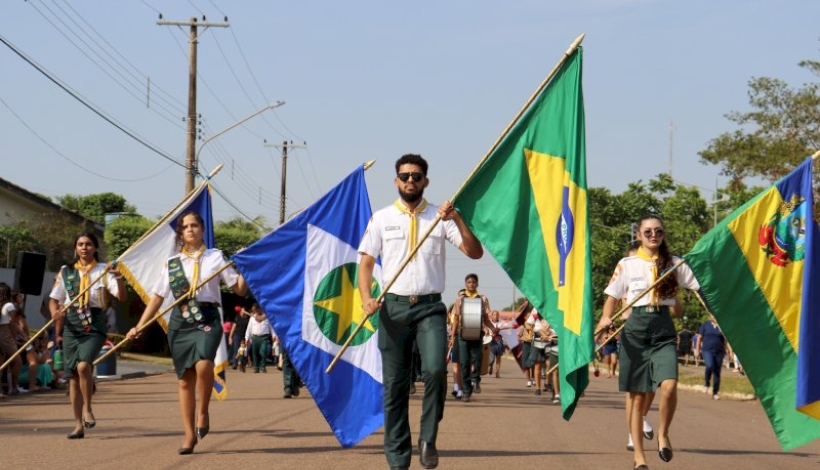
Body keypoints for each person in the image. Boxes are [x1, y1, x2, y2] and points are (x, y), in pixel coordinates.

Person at [358, 153, 483, 470]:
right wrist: (365, 298)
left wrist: (456, 218)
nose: (410, 181)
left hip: (430, 308)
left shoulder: (439, 218)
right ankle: (398, 459)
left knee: (436, 372)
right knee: (396, 385)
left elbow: (474, 252)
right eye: (405, 176)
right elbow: (366, 263)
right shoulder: (382, 218)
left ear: (426, 181)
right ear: (396, 181)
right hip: (393, 309)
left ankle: (428, 438)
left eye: (416, 176)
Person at [126, 211, 247, 454]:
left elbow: (240, 290)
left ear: (202, 230)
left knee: (203, 364)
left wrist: (246, 264)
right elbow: (158, 297)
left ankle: (204, 412)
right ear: (181, 233)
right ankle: (189, 435)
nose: (190, 229)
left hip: (207, 319)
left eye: (194, 225)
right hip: (181, 322)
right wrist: (138, 325)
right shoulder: (173, 264)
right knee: (184, 380)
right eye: (185, 227)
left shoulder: (215, 257)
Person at [597, 215, 700, 470]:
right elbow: (612, 295)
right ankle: (639, 456)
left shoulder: (675, 264)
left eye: (658, 231)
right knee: (636, 395)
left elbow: (701, 286)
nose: (654, 235)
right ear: (639, 235)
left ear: (663, 234)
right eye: (648, 232)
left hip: (663, 331)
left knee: (670, 386)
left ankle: (663, 433)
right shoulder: (627, 264)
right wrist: (606, 317)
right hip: (635, 332)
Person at [49, 233, 126, 438]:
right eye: (80, 244)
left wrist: (118, 277)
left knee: (84, 366)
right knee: (73, 376)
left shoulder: (103, 270)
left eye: (88, 244)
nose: (84, 248)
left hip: (94, 326)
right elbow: (54, 299)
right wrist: (55, 313)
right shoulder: (66, 272)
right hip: (72, 327)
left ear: (95, 248)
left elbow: (121, 296)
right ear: (75, 248)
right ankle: (77, 425)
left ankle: (88, 408)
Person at [451, 274, 497, 402]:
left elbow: (487, 318)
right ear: (466, 284)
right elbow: (455, 319)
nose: (471, 284)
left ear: (477, 284)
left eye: (473, 282)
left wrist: (493, 328)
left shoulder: (482, 299)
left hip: (477, 335)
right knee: (464, 363)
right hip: (462, 335)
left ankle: (476, 380)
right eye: (469, 282)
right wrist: (452, 337)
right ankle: (466, 391)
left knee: (477, 360)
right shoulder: (459, 299)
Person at [0, 283, 24, 395]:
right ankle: (14, 386)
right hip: (5, 335)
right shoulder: (9, 305)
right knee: (18, 360)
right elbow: (12, 322)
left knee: (2, 362)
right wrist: (16, 337)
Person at [696, 315, 726, 400]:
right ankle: (706, 384)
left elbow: (725, 340)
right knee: (709, 365)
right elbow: (699, 338)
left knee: (717, 372)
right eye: (713, 315)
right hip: (707, 350)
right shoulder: (705, 325)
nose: (715, 317)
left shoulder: (722, 326)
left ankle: (715, 392)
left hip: (719, 352)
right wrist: (697, 350)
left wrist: (729, 351)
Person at [244, 304, 273, 373]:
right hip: (255, 337)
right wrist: (246, 338)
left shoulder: (267, 317)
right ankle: (256, 367)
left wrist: (274, 335)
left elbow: (271, 327)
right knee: (255, 353)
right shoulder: (252, 318)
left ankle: (263, 366)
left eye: (258, 309)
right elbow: (249, 328)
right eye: (256, 310)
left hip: (264, 337)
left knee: (263, 352)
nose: (256, 311)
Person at [488, 310, 505, 378]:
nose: (496, 316)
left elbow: (504, 331)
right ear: (492, 315)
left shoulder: (501, 323)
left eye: (497, 315)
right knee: (491, 357)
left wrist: (499, 330)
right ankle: (491, 365)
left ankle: (497, 372)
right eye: (494, 314)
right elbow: (486, 330)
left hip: (499, 341)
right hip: (491, 341)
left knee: (498, 357)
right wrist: (490, 333)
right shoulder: (489, 323)